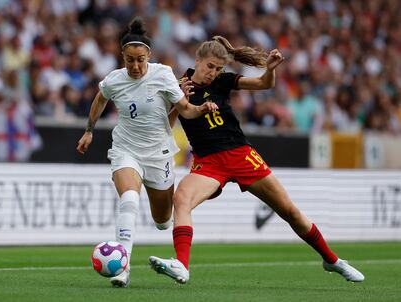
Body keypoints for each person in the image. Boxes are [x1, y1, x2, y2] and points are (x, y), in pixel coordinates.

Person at [148, 36, 365, 284]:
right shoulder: (176, 86)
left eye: (218, 68)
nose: (213, 73)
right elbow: (166, 126)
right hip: (208, 162)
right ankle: (182, 265)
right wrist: (178, 103)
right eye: (210, 66)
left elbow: (263, 84)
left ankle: (332, 260)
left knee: (290, 212)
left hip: (241, 155)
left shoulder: (223, 81)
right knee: (181, 199)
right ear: (197, 60)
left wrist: (269, 70)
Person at [76, 17, 218, 288]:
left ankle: (151, 234)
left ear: (148, 56)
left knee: (163, 221)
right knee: (129, 198)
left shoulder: (163, 74)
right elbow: (100, 98)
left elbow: (185, 108)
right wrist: (89, 129)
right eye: (130, 59)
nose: (136, 65)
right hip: (126, 149)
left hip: (159, 155)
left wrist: (199, 109)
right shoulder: (114, 80)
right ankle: (123, 267)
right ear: (123, 56)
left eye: (140, 59)